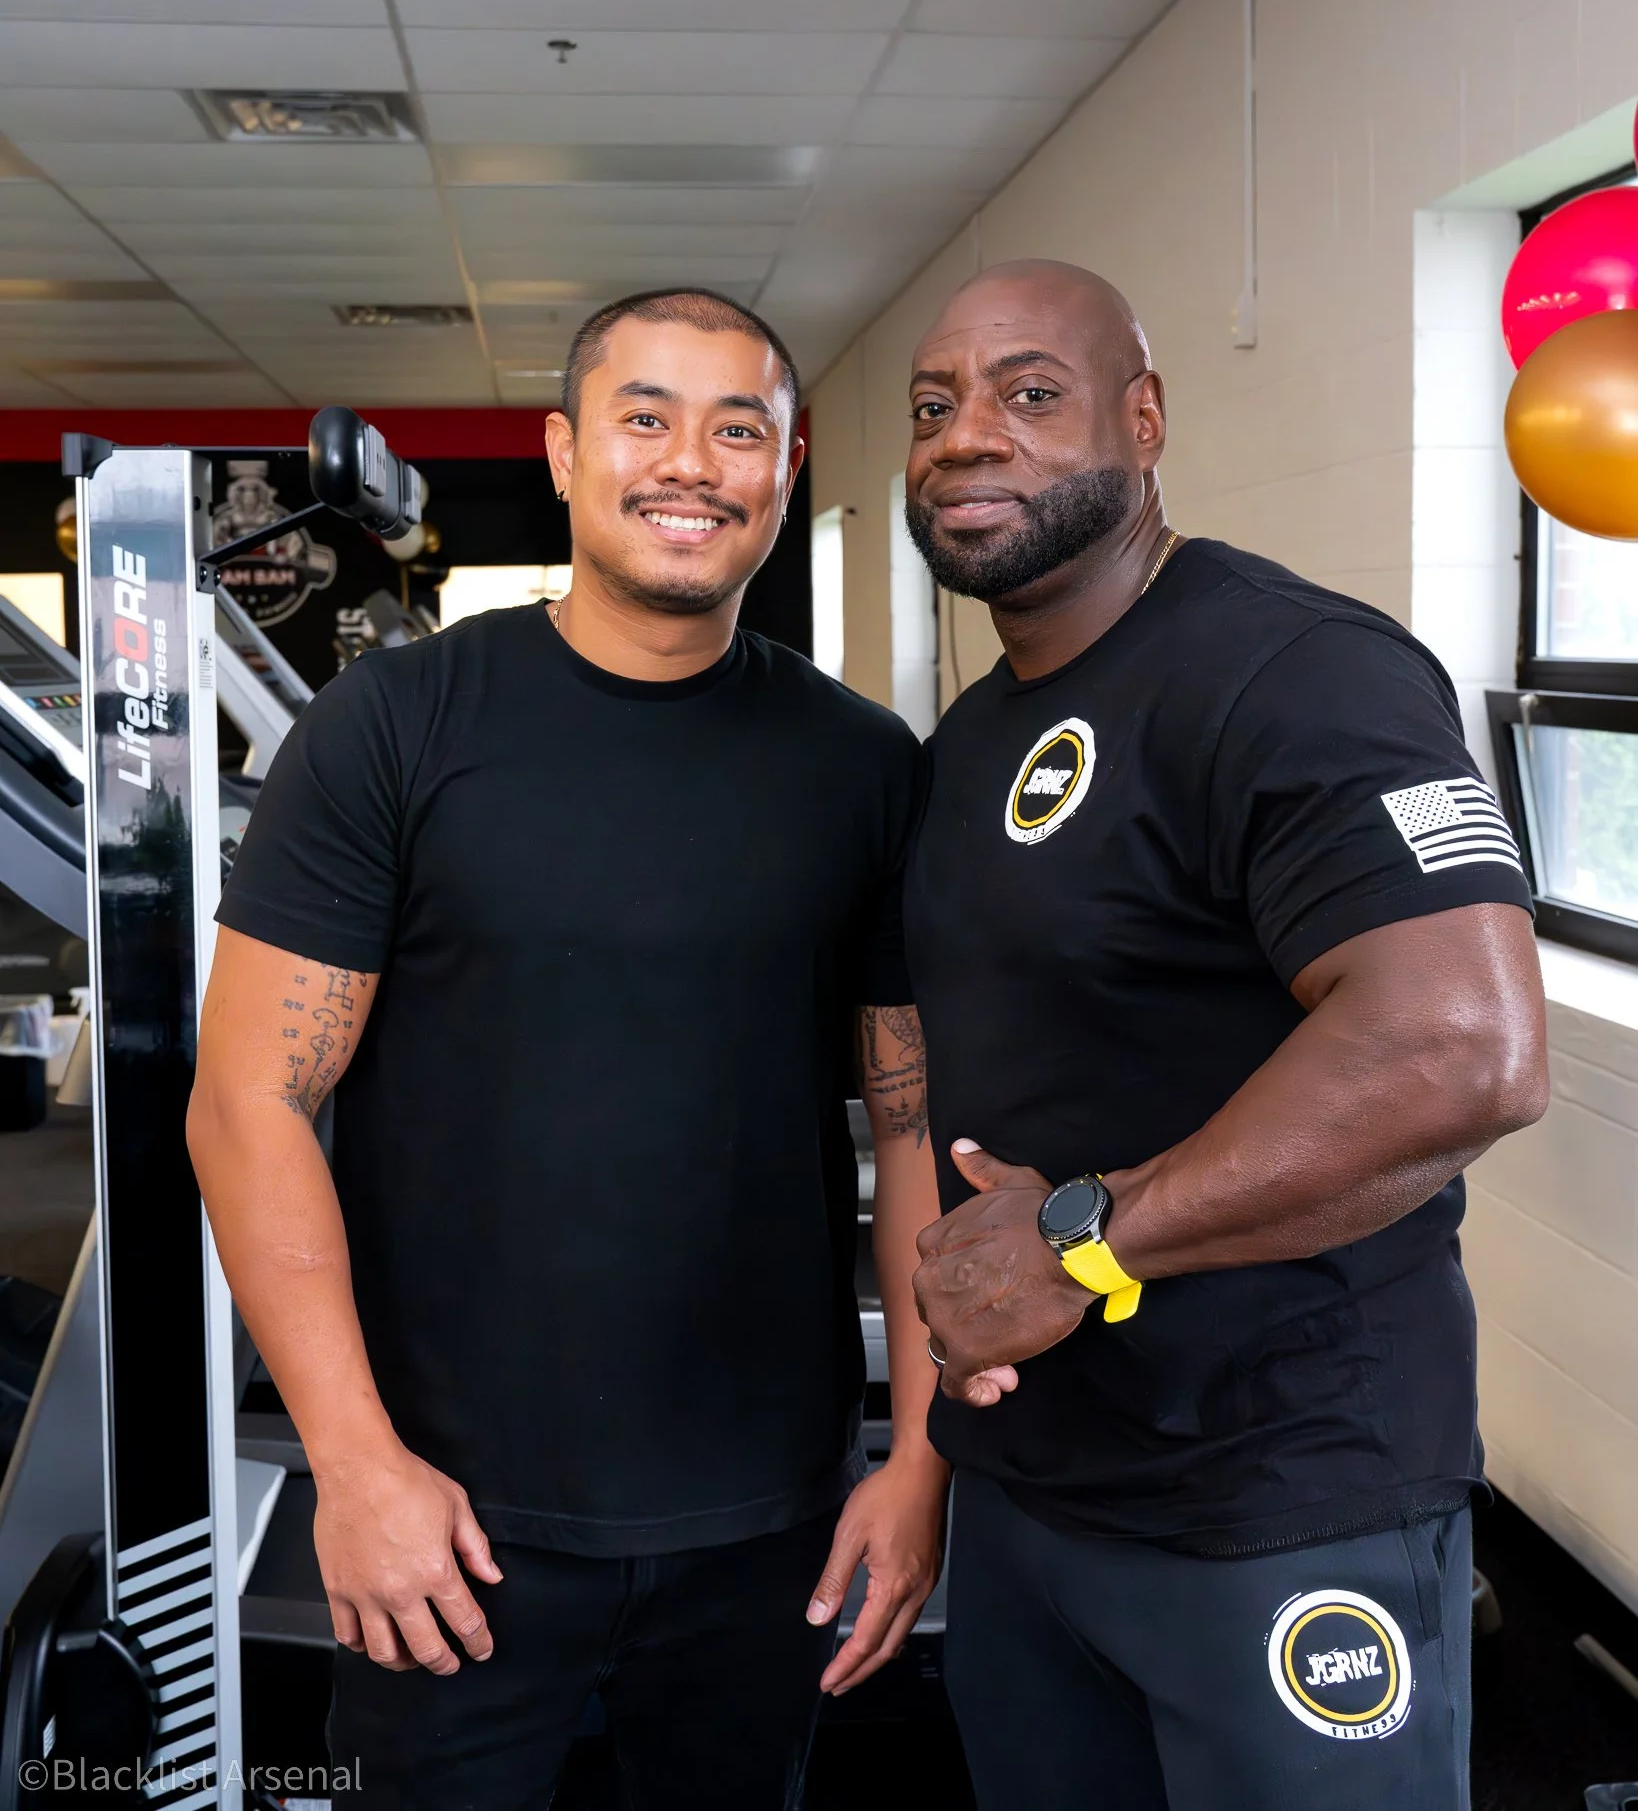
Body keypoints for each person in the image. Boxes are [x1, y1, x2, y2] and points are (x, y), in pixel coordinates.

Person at [187, 289, 949, 1810]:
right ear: (562, 449)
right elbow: (248, 1103)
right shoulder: (396, 725)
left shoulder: (864, 767)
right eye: (645, 417)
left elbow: (915, 1124)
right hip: (452, 1514)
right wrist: (354, 1465)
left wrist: (917, 1464)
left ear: (785, 470)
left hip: (765, 1516)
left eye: (740, 429)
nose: (692, 462)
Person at [901, 259, 1548, 1810]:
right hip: (1037, 1488)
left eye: (1028, 394)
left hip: (1275, 1491)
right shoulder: (972, 735)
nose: (965, 436)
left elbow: (1460, 1043)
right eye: (933, 408)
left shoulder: (1292, 668)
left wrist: (1079, 1242)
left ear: (1144, 420)